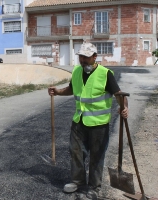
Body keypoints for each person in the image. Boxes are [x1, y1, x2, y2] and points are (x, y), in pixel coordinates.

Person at [48, 42, 129, 199]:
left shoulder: (106, 74)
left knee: (96, 156)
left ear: (94, 57)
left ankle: (94, 186)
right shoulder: (77, 71)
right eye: (81, 58)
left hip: (99, 124)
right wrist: (58, 91)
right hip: (79, 120)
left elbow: (118, 94)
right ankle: (77, 181)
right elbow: (72, 89)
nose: (83, 61)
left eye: (86, 58)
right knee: (75, 151)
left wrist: (124, 107)